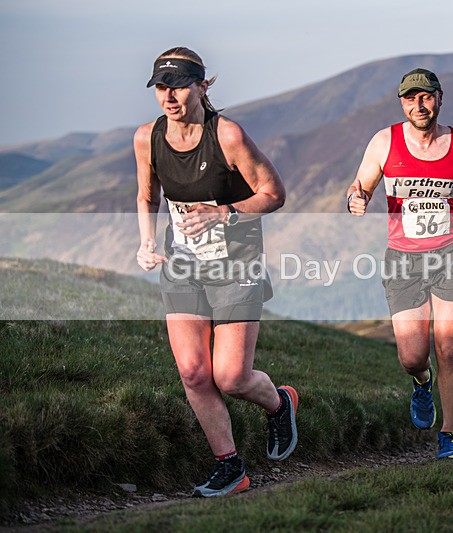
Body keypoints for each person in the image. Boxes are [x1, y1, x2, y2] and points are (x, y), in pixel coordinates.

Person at [135, 47, 298, 497]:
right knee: (192, 373)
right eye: (161, 88)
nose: (169, 97)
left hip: (236, 263)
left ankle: (279, 401)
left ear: (202, 86)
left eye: (179, 86)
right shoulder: (146, 138)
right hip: (183, 265)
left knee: (231, 377)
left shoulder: (227, 135)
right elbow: (147, 197)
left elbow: (274, 193)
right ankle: (230, 467)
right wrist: (147, 241)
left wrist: (222, 213)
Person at [346, 68, 453, 459]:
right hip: (404, 258)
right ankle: (423, 383)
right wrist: (356, 199)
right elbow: (360, 187)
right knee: (412, 356)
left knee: (449, 343)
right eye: (410, 99)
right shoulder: (384, 142)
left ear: (439, 98)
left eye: (426, 97)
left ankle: (449, 435)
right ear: (402, 103)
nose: (418, 106)